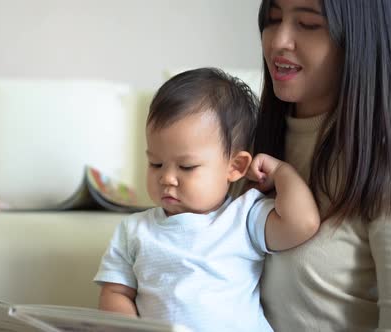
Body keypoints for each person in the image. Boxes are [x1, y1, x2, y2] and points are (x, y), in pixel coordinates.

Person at [93, 67, 320, 332]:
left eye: (186, 167)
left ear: (235, 166)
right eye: (155, 163)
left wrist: (281, 172)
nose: (167, 178)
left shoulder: (243, 217)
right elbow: (115, 293)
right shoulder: (133, 231)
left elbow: (302, 223)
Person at [254, 0, 391, 330]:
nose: (278, 41)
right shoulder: (243, 146)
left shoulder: (378, 169)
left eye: (308, 24)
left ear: (357, 40)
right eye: (272, 20)